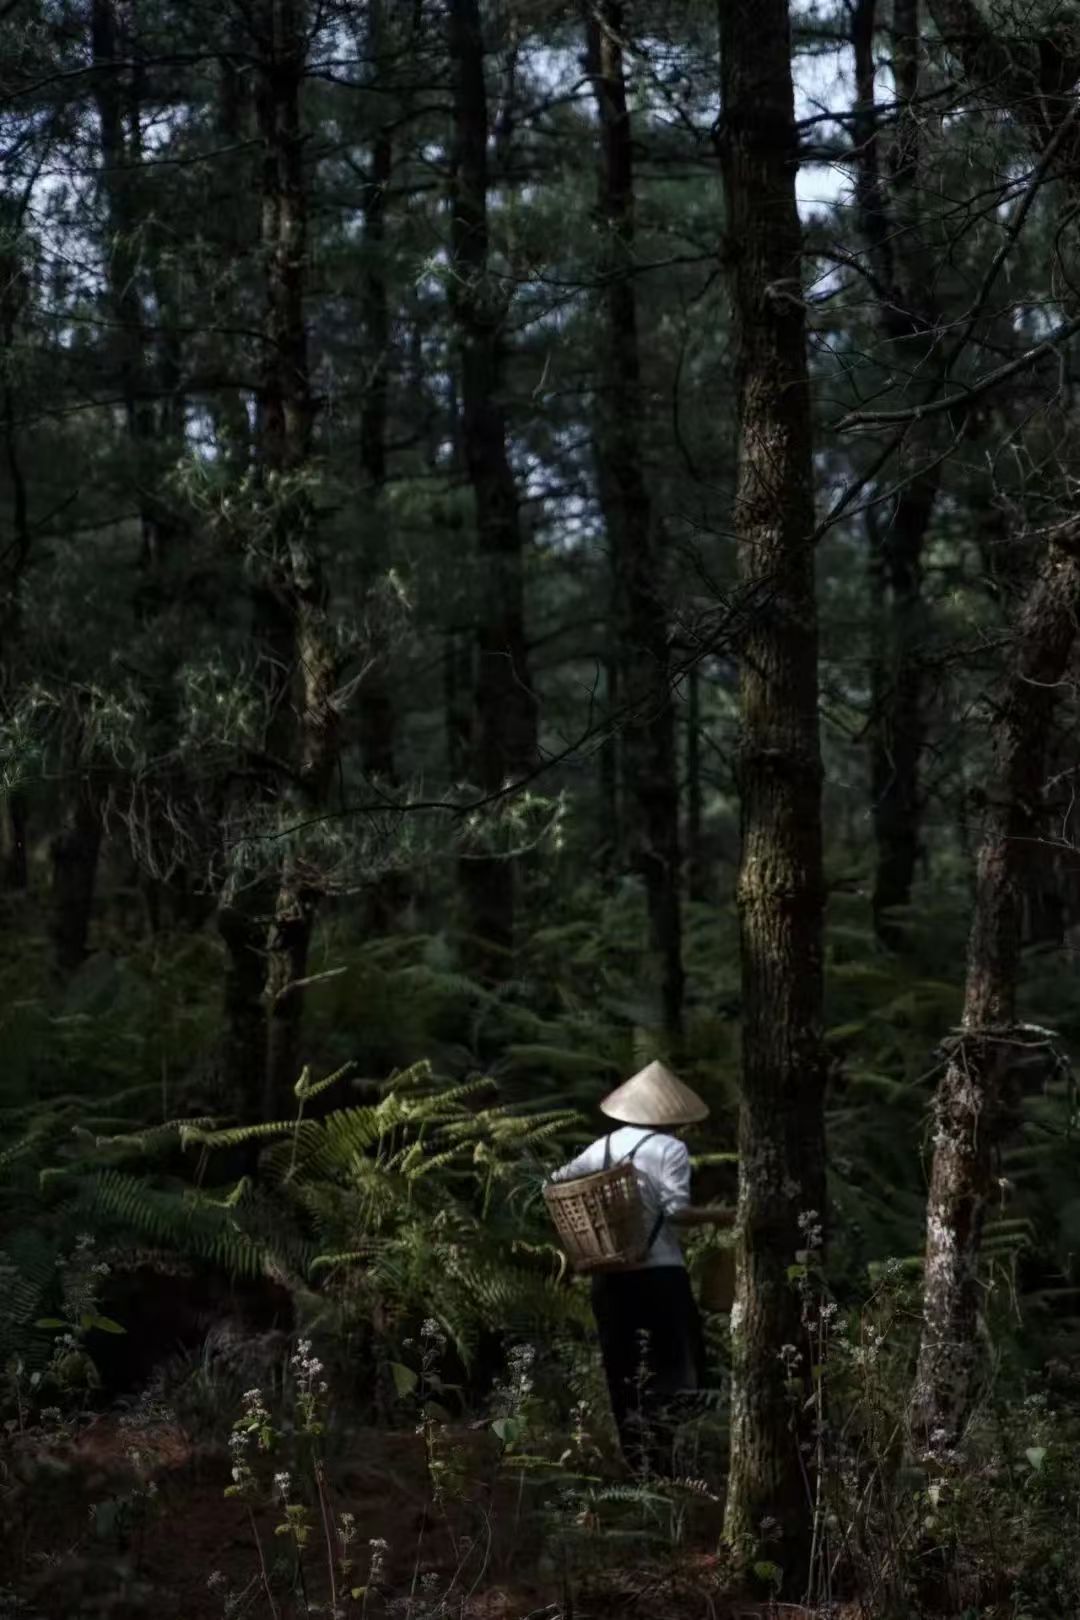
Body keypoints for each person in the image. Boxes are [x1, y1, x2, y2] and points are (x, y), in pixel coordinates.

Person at [550, 1060, 731, 1477]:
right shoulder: (671, 1149)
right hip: (660, 1276)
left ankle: (638, 1465)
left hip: (610, 1278)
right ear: (671, 1115)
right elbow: (678, 1213)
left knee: (623, 1369)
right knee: (678, 1368)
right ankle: (668, 1463)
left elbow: (555, 1181)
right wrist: (725, 1217)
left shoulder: (604, 1146)